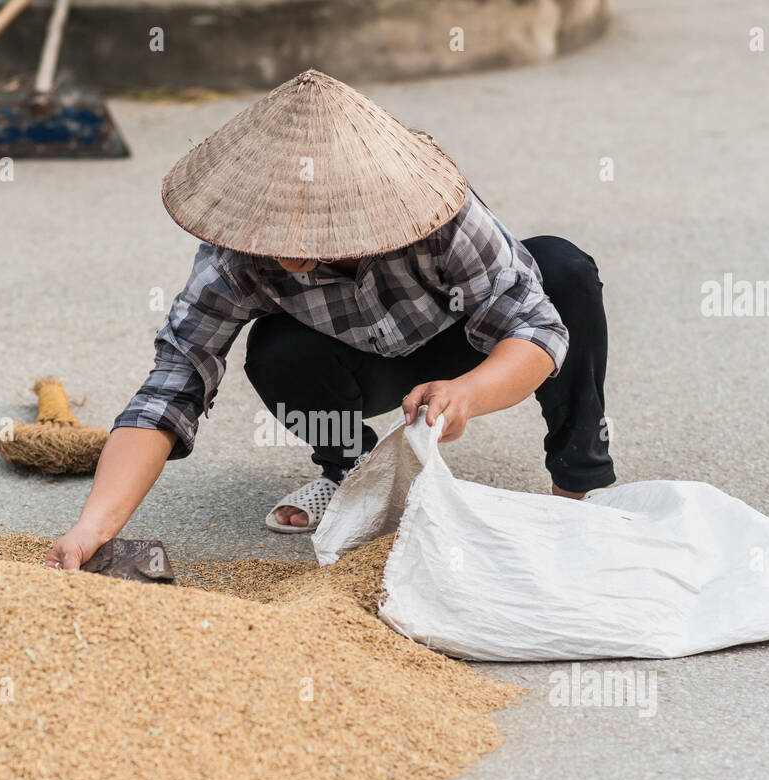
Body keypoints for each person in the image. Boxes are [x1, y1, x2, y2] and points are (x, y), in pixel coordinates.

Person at [45, 69, 614, 569]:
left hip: (462, 344)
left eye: (310, 228)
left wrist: (465, 393)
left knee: (562, 270)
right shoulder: (235, 260)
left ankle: (577, 484)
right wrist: (93, 526)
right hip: (357, 364)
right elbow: (171, 386)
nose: (287, 250)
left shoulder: (438, 210)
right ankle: (351, 478)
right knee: (275, 350)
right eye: (274, 228)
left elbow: (535, 329)